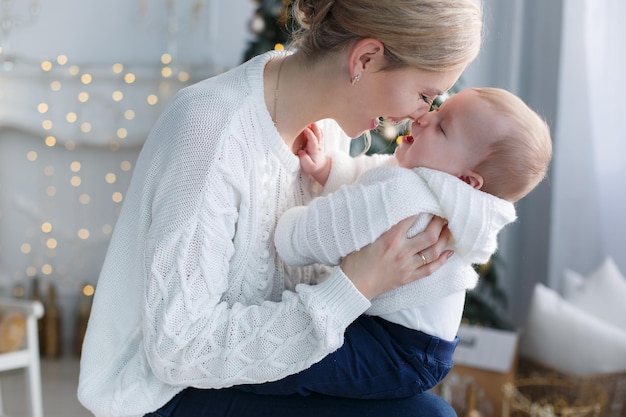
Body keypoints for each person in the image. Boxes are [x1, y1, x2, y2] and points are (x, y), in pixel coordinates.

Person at [77, 0, 484, 416]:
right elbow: (178, 349)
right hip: (165, 392)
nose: (421, 115)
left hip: (254, 375)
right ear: (365, 58)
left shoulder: (326, 124)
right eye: (424, 94)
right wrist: (355, 285)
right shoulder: (209, 131)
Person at [237, 87, 553, 399]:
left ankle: (227, 386)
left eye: (442, 127)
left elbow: (318, 236)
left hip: (395, 351)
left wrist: (288, 228)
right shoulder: (442, 192)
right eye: (438, 109)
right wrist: (330, 169)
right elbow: (377, 175)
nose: (424, 119)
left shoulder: (407, 195)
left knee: (290, 363)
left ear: (467, 181)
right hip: (417, 347)